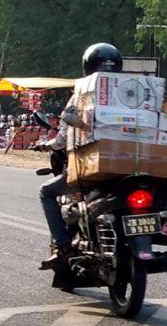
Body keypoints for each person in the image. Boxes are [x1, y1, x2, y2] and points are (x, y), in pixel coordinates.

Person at [38, 43, 123, 260]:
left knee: (46, 192)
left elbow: (62, 139)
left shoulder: (80, 96)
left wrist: (47, 144)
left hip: (90, 167)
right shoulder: (132, 95)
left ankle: (62, 246)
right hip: (131, 168)